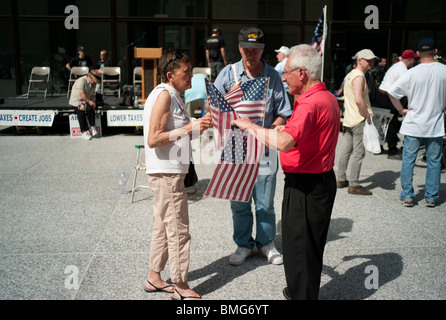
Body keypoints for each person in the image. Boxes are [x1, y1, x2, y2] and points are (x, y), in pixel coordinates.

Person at [232, 44, 340, 300]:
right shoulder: (327, 97)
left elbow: (284, 143)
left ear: (302, 73)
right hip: (320, 182)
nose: (283, 77)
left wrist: (249, 127)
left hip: (306, 187)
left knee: (299, 246)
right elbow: (296, 133)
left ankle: (301, 295)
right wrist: (273, 130)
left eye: (287, 72)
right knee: (309, 245)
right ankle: (301, 290)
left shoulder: (309, 104)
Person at [213, 27, 292, 266]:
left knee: (265, 203)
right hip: (235, 147)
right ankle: (243, 244)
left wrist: (271, 130)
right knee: (239, 201)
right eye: (247, 48)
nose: (251, 53)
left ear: (262, 50)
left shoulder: (273, 76)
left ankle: (266, 243)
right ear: (238, 47)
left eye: (256, 49)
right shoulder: (228, 74)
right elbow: (213, 107)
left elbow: (283, 113)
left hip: (265, 147)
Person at [143, 49, 213, 300]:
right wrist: (189, 127)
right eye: (187, 72)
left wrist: (198, 126)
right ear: (170, 75)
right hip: (167, 174)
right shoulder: (165, 96)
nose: (191, 76)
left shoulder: (170, 94)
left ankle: (154, 277)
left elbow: (176, 133)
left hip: (169, 172)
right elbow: (154, 139)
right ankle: (181, 286)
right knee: (179, 229)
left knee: (163, 226)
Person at [387, 38, 446, 208]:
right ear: (435, 52)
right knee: (434, 161)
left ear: (418, 54)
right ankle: (431, 197)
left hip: (414, 122)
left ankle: (407, 196)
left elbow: (392, 92)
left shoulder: (411, 72)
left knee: (408, 159)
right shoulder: (443, 70)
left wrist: (401, 110)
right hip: (435, 124)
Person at [336, 49, 377, 195]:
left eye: (372, 60)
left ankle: (341, 179)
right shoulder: (359, 76)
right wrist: (366, 115)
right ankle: (353, 184)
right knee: (358, 152)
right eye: (368, 60)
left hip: (349, 118)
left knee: (346, 150)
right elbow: (359, 99)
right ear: (359, 60)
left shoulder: (351, 74)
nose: (371, 63)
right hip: (358, 118)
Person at [377, 49, 418, 160]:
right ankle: (392, 150)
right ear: (409, 60)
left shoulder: (397, 66)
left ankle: (380, 147)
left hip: (383, 94)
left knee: (386, 122)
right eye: (413, 59)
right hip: (387, 96)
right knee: (391, 123)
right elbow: (405, 88)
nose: (414, 62)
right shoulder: (402, 70)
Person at [68, 70, 101, 140]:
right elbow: (81, 93)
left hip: (86, 100)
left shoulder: (93, 83)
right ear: (90, 77)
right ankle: (84, 132)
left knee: (91, 108)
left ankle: (92, 127)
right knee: (81, 112)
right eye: (94, 81)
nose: (94, 83)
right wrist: (89, 102)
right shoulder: (82, 80)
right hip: (77, 100)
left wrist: (93, 102)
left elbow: (92, 95)